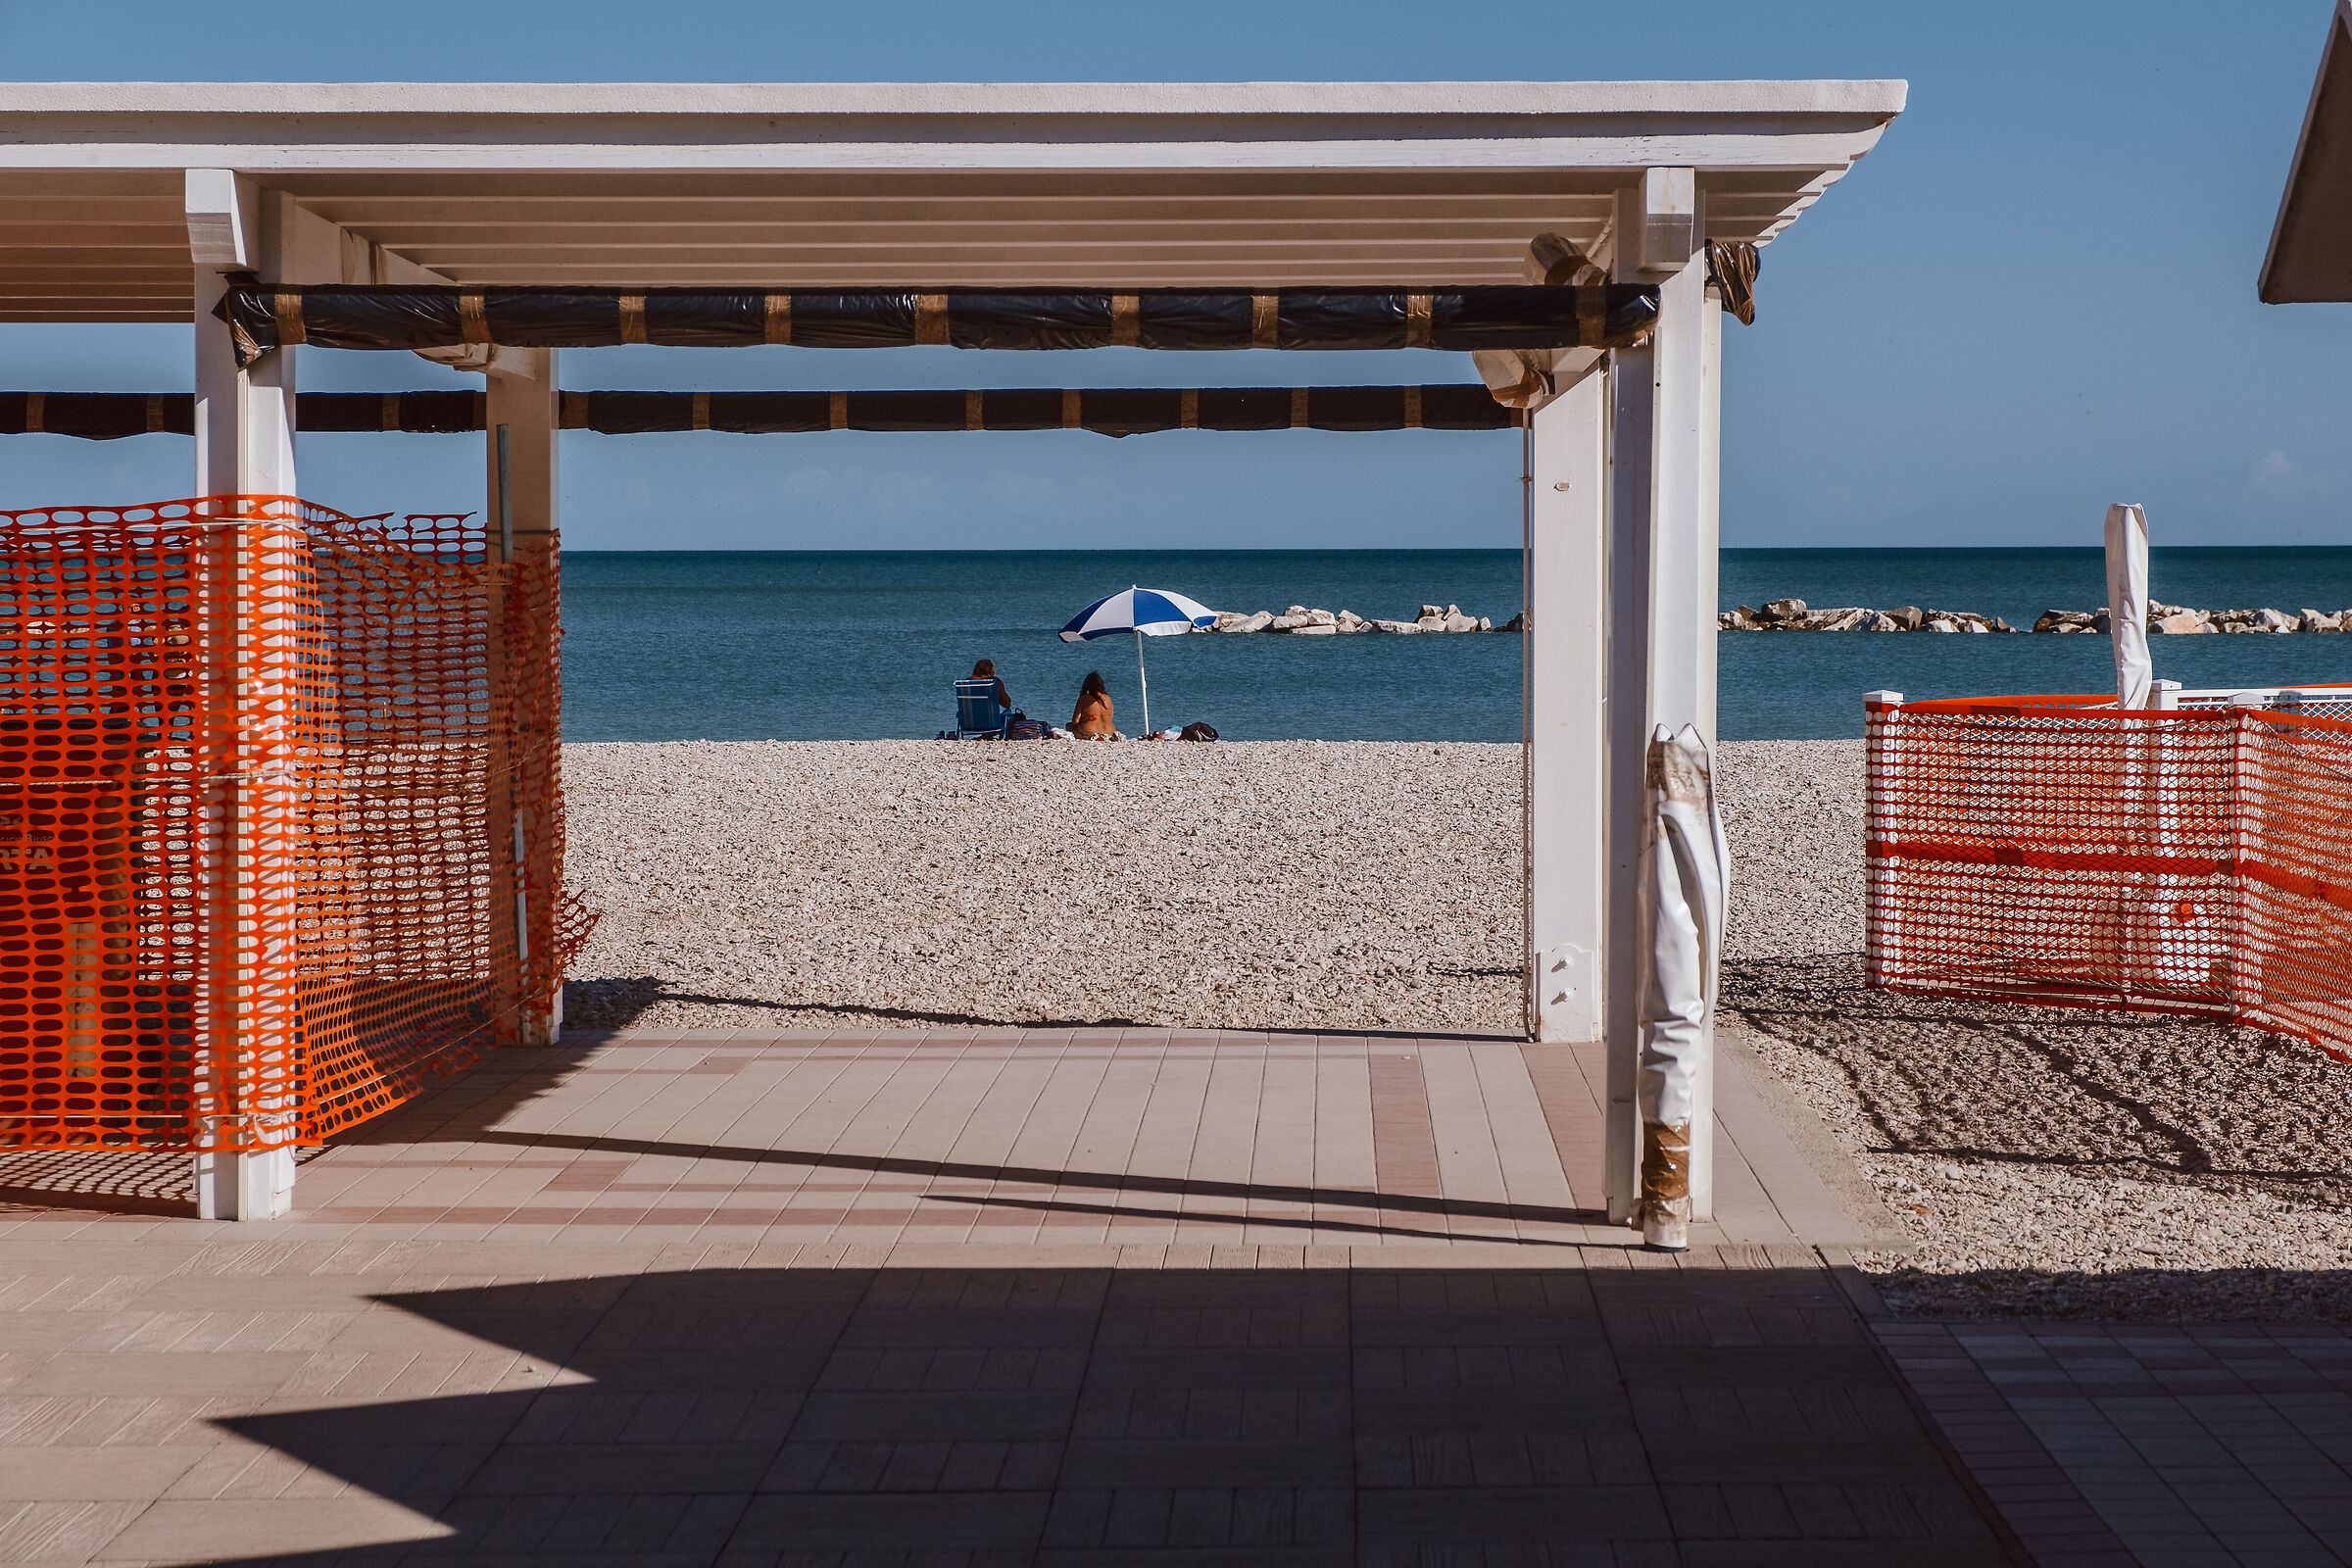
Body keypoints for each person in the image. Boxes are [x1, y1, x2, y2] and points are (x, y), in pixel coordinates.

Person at [1070, 670, 1115, 739]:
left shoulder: (1083, 698)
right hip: (1109, 734)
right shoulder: (1107, 698)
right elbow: (1110, 717)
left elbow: (1075, 720)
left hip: (1090, 734)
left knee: (1069, 726)